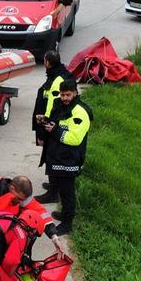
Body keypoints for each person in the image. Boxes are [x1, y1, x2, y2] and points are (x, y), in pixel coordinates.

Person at [39, 79, 92, 234]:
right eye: (62, 95)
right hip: (59, 158)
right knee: (62, 190)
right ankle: (64, 214)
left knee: (67, 193)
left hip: (70, 160)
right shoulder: (62, 106)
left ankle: (67, 224)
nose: (64, 98)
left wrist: (54, 131)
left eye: (68, 95)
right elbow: (58, 124)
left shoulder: (80, 112)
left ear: (75, 93)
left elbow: (75, 139)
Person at [32, 50, 75, 203]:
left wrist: (45, 124)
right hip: (55, 122)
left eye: (44, 60)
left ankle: (53, 193)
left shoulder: (57, 80)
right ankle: (53, 185)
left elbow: (52, 104)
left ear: (48, 63)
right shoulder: (60, 73)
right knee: (51, 155)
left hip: (52, 123)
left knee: (52, 156)